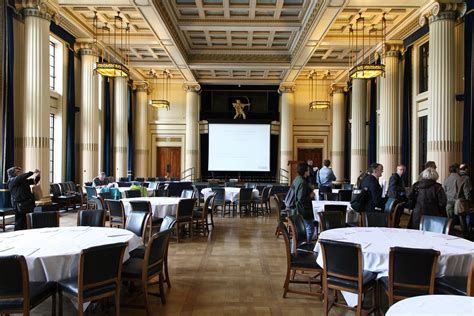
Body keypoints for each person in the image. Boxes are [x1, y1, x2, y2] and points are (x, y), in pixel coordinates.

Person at [7, 166, 40, 231]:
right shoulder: (12, 180)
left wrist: (38, 176)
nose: (20, 172)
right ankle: (17, 235)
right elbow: (20, 177)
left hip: (27, 203)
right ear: (13, 173)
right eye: (18, 171)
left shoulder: (22, 180)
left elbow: (34, 181)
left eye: (20, 171)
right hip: (19, 205)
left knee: (26, 221)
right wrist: (32, 172)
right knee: (19, 222)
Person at [293, 162, 315, 242]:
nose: (309, 171)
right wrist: (310, 196)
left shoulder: (297, 179)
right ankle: (305, 246)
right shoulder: (302, 183)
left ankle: (296, 249)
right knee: (310, 229)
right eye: (308, 170)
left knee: (298, 233)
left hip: (298, 210)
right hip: (302, 210)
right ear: (305, 171)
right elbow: (301, 199)